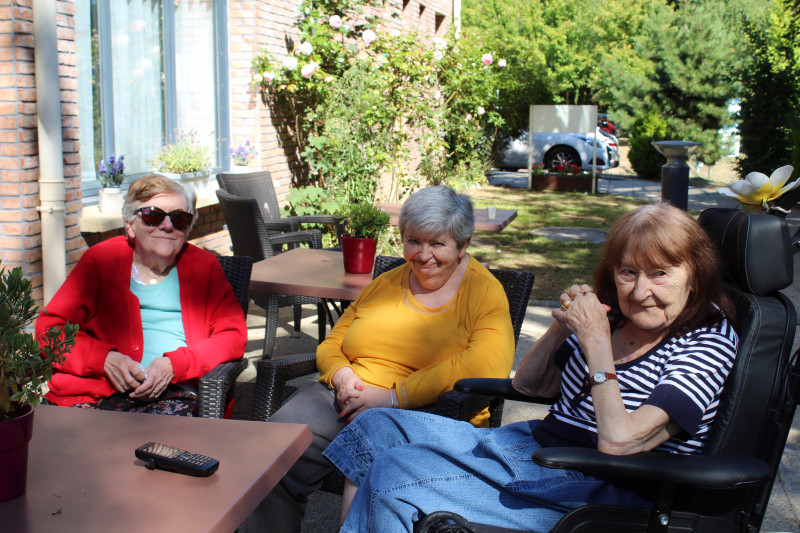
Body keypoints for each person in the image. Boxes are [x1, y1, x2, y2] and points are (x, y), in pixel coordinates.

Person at [323, 202, 739, 532]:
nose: (641, 290)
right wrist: (562, 328)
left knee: (397, 474)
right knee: (373, 427)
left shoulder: (706, 343)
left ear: (695, 276)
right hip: (534, 448)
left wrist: (595, 342)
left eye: (660, 273)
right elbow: (529, 384)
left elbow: (621, 443)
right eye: (628, 272)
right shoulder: (616, 317)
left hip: (601, 483)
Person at [246, 186, 516, 532]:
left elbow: (484, 366)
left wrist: (392, 397)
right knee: (272, 452)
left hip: (426, 410)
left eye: (437, 244)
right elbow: (333, 343)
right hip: (348, 395)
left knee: (375, 464)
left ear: (463, 245)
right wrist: (342, 376)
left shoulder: (483, 292)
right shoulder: (385, 283)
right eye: (413, 241)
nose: (423, 255)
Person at [36, 174, 247, 416]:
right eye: (152, 215)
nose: (167, 226)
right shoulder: (101, 260)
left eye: (179, 218)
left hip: (174, 392)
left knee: (151, 447)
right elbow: (50, 328)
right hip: (97, 392)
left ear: (188, 228)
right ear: (129, 224)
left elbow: (232, 336)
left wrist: (175, 365)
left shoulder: (204, 267)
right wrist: (103, 359)